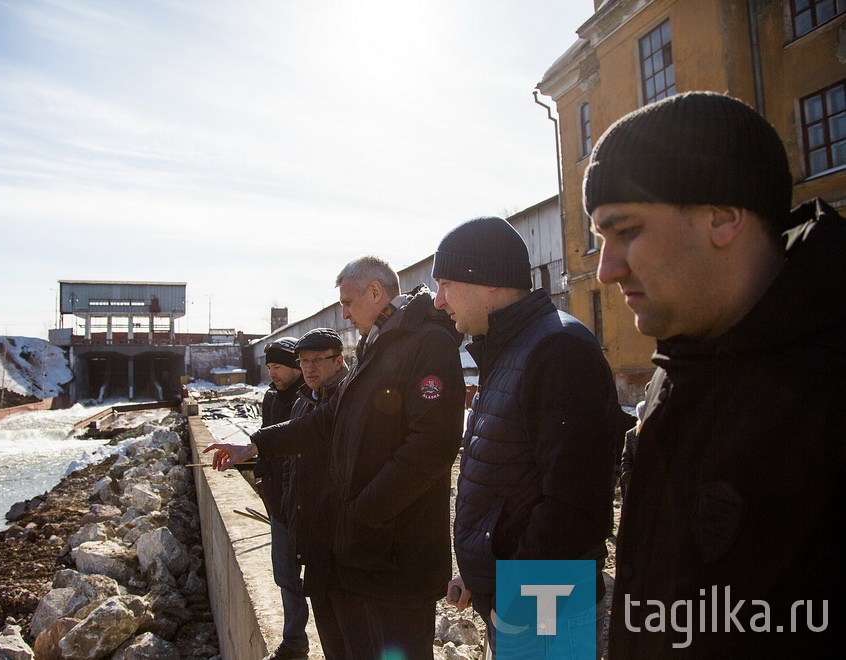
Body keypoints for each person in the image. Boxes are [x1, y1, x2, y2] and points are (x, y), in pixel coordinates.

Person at [585, 91, 844, 657]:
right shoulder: (677, 367)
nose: (605, 270)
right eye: (601, 239)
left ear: (723, 216)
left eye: (625, 229)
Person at [205, 255, 466, 660]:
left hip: (397, 553)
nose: (343, 314)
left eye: (347, 302)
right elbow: (328, 418)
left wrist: (362, 512)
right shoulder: (378, 344)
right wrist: (255, 445)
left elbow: (430, 447)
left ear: (375, 292)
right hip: (367, 549)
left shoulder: (426, 343)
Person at [431, 216, 619, 656]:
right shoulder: (511, 348)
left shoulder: (557, 349)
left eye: (445, 284)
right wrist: (482, 578)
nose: (438, 302)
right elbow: (508, 481)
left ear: (488, 282)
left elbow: (575, 509)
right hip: (521, 596)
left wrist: (515, 599)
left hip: (546, 602)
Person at [253, 338, 309, 660]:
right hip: (277, 500)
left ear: (295, 367)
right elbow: (264, 442)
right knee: (285, 575)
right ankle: (295, 641)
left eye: (278, 367)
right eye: (270, 367)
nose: (272, 373)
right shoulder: (271, 398)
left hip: (305, 500)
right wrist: (261, 479)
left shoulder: (308, 399)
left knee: (319, 577)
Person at [281, 328, 348, 575]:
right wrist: (290, 504)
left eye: (318, 360)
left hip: (339, 532)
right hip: (309, 530)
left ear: (339, 361)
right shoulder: (302, 402)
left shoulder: (349, 399)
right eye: (304, 361)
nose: (309, 368)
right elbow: (291, 460)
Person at [618, 400, 645, 502]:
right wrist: (630, 479)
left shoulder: (656, 433)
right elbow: (626, 460)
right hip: (635, 484)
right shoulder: (631, 434)